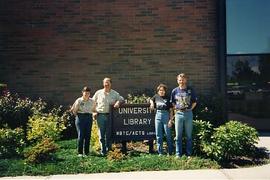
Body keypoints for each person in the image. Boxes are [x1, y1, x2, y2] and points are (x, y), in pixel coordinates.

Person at [93, 77, 124, 156]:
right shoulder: (98, 93)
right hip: (100, 116)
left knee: (109, 134)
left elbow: (122, 99)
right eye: (105, 82)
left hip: (110, 116)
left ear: (111, 84)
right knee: (101, 134)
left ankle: (109, 150)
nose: (106, 84)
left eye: (108, 82)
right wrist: (94, 112)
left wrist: (118, 102)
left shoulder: (114, 93)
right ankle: (103, 151)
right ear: (103, 84)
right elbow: (92, 102)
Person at [170, 73, 197, 158]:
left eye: (183, 79)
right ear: (177, 81)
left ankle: (189, 154)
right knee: (178, 135)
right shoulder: (175, 91)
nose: (181, 81)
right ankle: (178, 154)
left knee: (189, 135)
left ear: (186, 80)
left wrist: (190, 109)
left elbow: (195, 102)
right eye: (179, 80)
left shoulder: (190, 90)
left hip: (188, 114)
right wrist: (176, 110)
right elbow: (172, 103)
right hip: (178, 114)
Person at [70, 86, 96, 157]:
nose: (86, 94)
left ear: (89, 93)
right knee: (81, 135)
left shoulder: (92, 101)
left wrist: (94, 114)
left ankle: (87, 152)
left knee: (88, 135)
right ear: (82, 92)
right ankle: (80, 152)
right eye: (85, 93)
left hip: (89, 118)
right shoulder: (79, 100)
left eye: (88, 93)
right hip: (80, 117)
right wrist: (78, 117)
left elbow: (94, 110)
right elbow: (74, 110)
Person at [150, 83, 174, 156]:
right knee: (158, 135)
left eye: (163, 90)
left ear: (165, 91)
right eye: (160, 90)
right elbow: (151, 99)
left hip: (166, 115)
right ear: (158, 91)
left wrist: (170, 120)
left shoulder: (168, 97)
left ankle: (170, 152)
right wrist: (151, 104)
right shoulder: (156, 96)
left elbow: (171, 110)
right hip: (157, 115)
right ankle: (160, 152)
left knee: (168, 134)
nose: (161, 91)